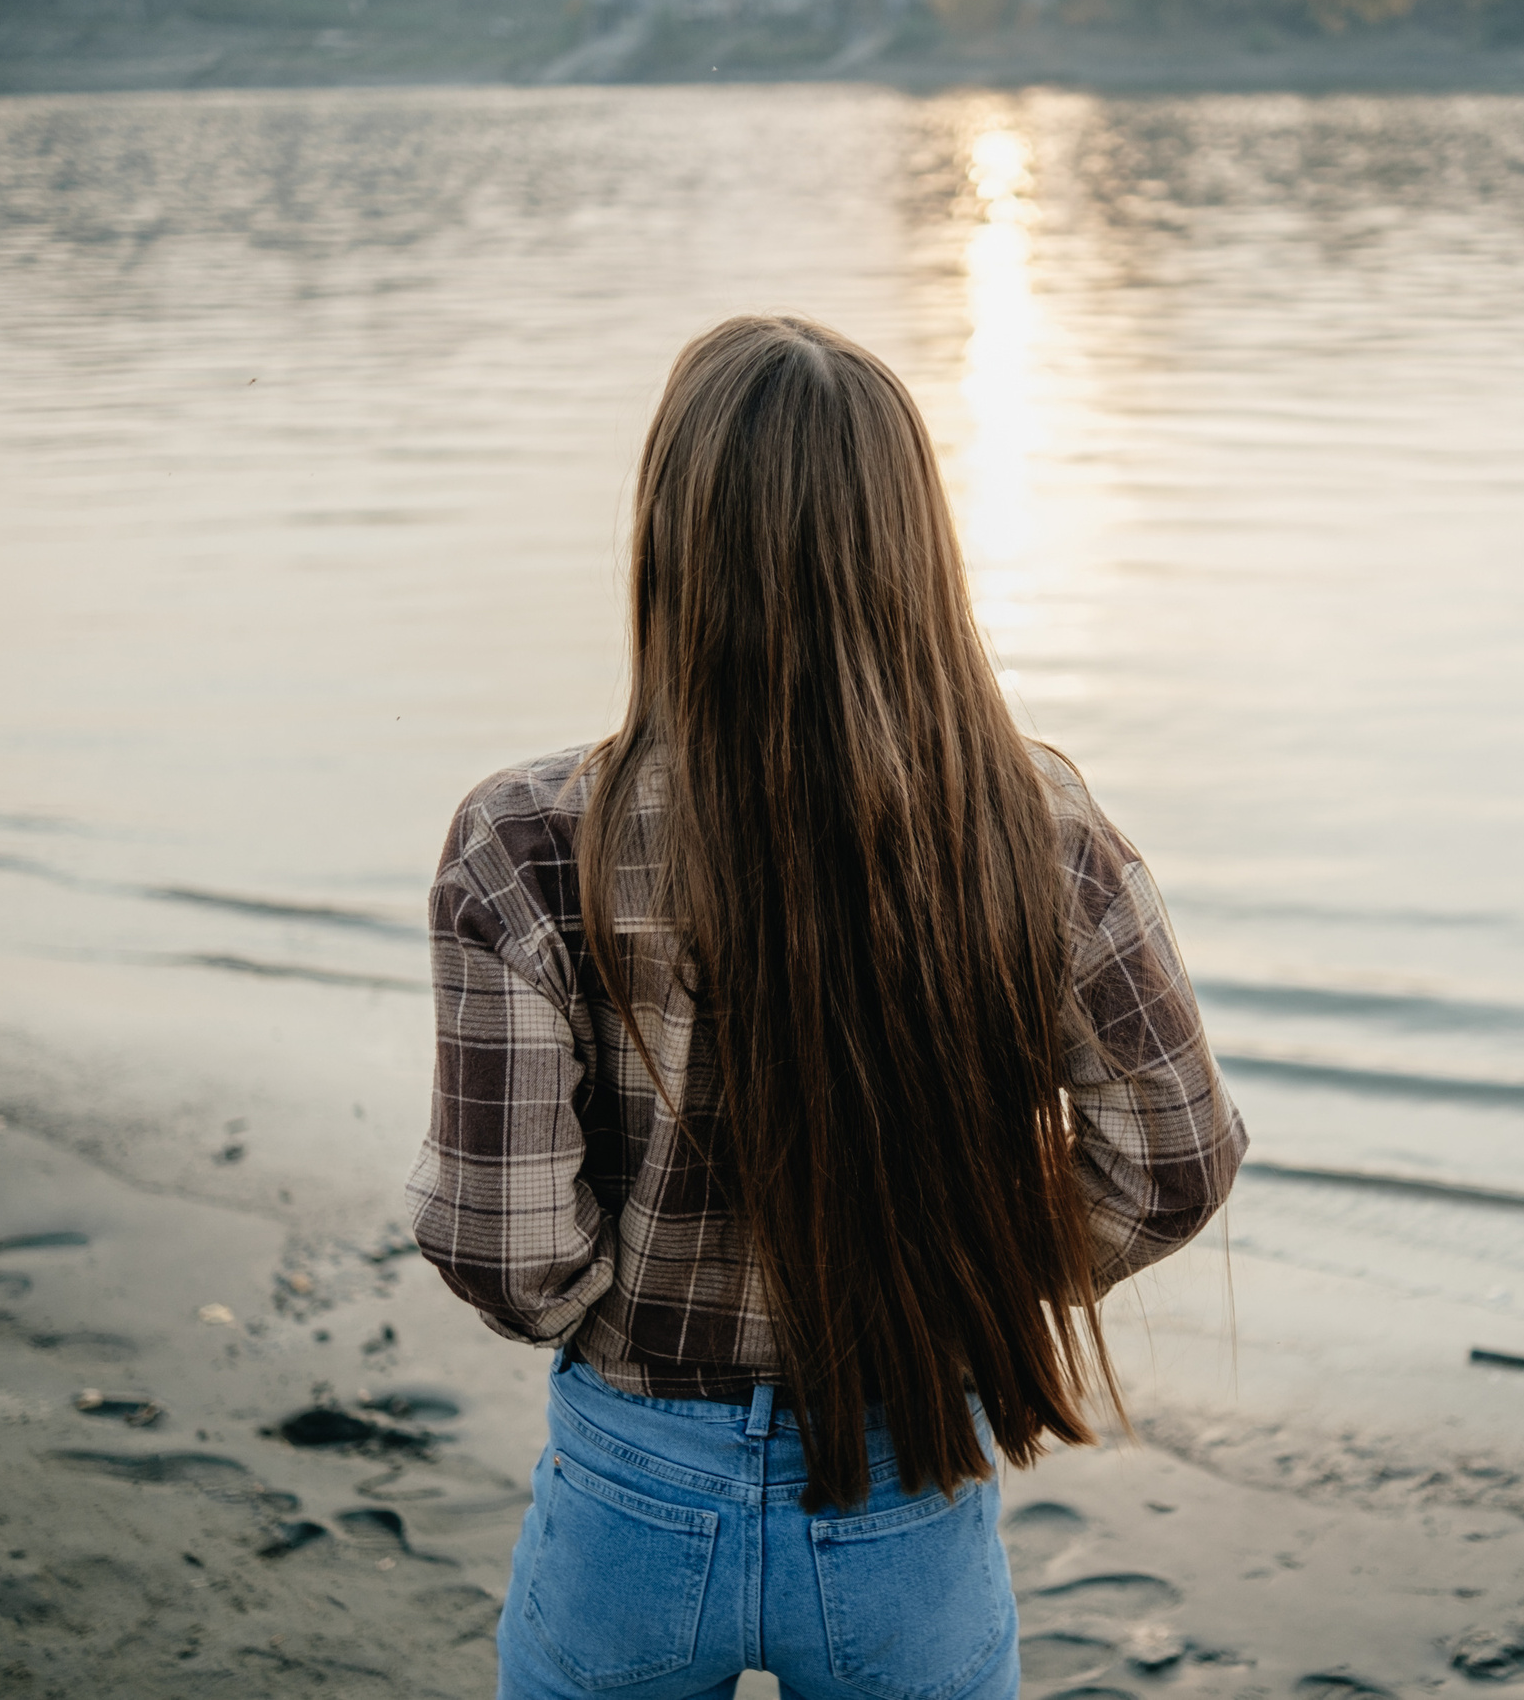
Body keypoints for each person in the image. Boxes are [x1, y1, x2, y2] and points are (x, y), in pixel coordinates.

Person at [406, 315, 1248, 1700]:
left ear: (669, 537)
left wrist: (615, 1304)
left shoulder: (525, 839)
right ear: (913, 547)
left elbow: (508, 1252)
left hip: (636, 1485)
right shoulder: (1037, 831)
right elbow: (1175, 1161)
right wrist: (990, 1262)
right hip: (903, 1477)